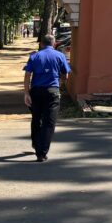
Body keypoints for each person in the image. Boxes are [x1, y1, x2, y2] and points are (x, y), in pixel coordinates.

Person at [23, 34, 71, 162]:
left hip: (36, 92)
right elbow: (65, 75)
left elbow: (28, 74)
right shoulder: (60, 56)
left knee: (36, 118)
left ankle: (36, 143)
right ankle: (42, 152)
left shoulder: (34, 56)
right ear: (54, 44)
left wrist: (26, 93)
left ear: (41, 44)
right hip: (52, 92)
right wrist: (60, 85)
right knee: (49, 122)